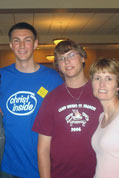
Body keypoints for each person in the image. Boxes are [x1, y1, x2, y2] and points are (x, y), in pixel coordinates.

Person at [0, 22, 63, 178]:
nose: (21, 45)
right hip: (8, 167)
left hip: (44, 166)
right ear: (11, 45)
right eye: (16, 40)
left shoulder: (53, 79)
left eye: (27, 40)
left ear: (35, 44)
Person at [32, 39, 103, 178]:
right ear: (58, 66)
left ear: (83, 57)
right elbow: (43, 149)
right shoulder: (51, 99)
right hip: (60, 174)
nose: (67, 61)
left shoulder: (100, 92)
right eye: (61, 59)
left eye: (71, 55)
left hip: (99, 173)